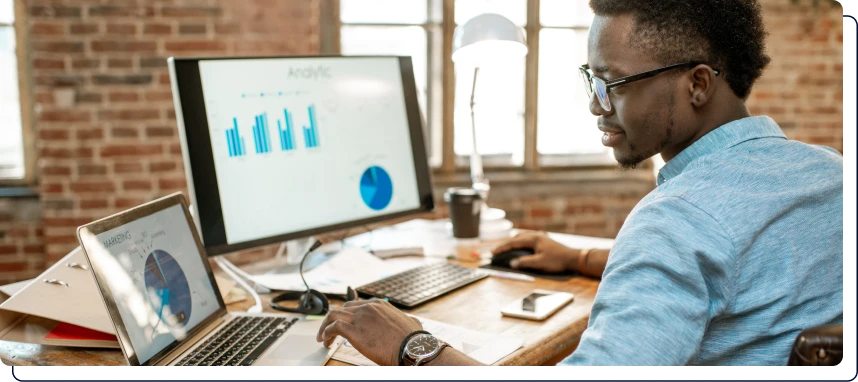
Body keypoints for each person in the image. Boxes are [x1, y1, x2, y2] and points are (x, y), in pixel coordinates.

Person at [315, 0, 844, 366]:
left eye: (612, 83)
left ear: (698, 84)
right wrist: (580, 259)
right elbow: (734, 267)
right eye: (590, 79)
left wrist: (414, 346)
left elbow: (696, 245)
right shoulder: (830, 173)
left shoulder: (676, 221)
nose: (595, 104)